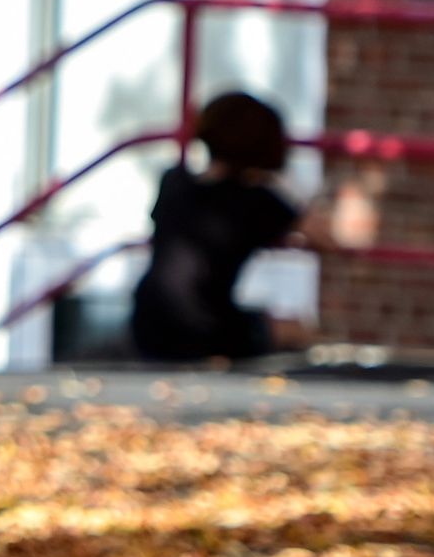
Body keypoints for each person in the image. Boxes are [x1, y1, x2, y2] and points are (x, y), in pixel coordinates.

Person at [129, 91, 310, 364]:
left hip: (146, 322)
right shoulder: (259, 202)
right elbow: (323, 231)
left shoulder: (173, 182)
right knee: (298, 330)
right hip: (206, 329)